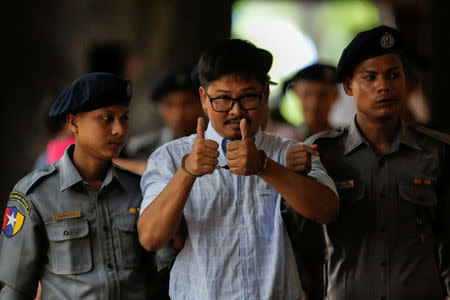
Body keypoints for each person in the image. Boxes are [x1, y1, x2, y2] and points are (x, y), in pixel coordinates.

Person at [137, 38, 339, 299]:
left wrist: (266, 167)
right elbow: (151, 238)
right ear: (203, 98)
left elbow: (328, 211)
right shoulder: (171, 157)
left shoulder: (289, 152)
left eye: (247, 97)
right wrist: (187, 172)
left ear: (264, 93)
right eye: (222, 99)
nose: (236, 110)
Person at [286, 25, 450, 299]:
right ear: (349, 86)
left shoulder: (436, 151)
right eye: (370, 77)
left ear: (405, 80)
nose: (383, 86)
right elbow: (302, 244)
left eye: (393, 75)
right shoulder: (322, 152)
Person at [0, 72, 154, 299]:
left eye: (124, 118)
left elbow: (161, 276)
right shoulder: (35, 195)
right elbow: (15, 289)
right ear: (73, 122)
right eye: (106, 118)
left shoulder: (139, 189)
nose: (119, 130)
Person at [124, 64, 204, 162]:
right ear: (159, 108)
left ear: (202, 103)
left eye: (187, 103)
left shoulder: (217, 145)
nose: (178, 114)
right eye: (169, 105)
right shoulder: (140, 149)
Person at [284, 63, 339, 141]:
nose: (314, 103)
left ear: (336, 95)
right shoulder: (284, 140)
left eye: (322, 95)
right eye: (306, 94)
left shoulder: (347, 140)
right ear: (295, 93)